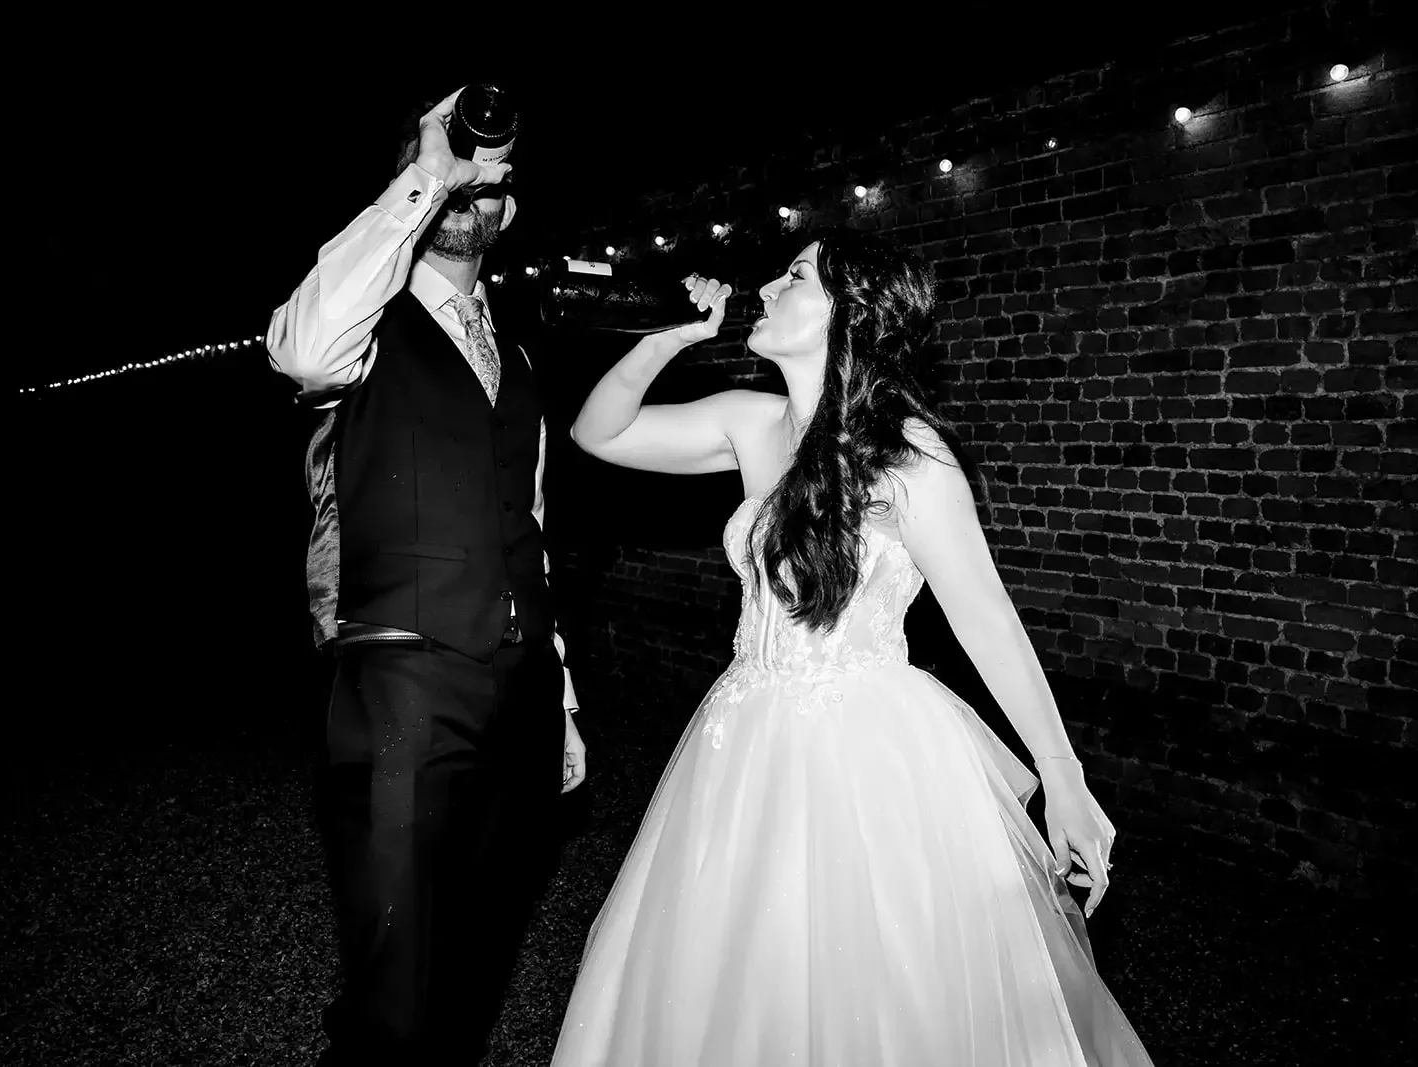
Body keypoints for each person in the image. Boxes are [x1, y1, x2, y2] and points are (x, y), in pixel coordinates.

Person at [550, 230, 1154, 1065]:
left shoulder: (909, 458)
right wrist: (673, 338)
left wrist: (1063, 776)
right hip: (739, 743)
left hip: (865, 751)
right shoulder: (749, 422)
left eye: (794, 275)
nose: (768, 282)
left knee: (874, 984)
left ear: (851, 313)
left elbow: (986, 617)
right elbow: (597, 433)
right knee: (734, 977)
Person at [266, 86, 588, 1067]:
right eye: (452, 162)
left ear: (509, 210)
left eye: (492, 175)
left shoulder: (518, 345)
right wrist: (426, 171)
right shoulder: (361, 324)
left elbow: (527, 522)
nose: (470, 184)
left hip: (522, 695)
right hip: (404, 691)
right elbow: (301, 347)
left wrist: (560, 691)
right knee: (393, 996)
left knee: (476, 964)